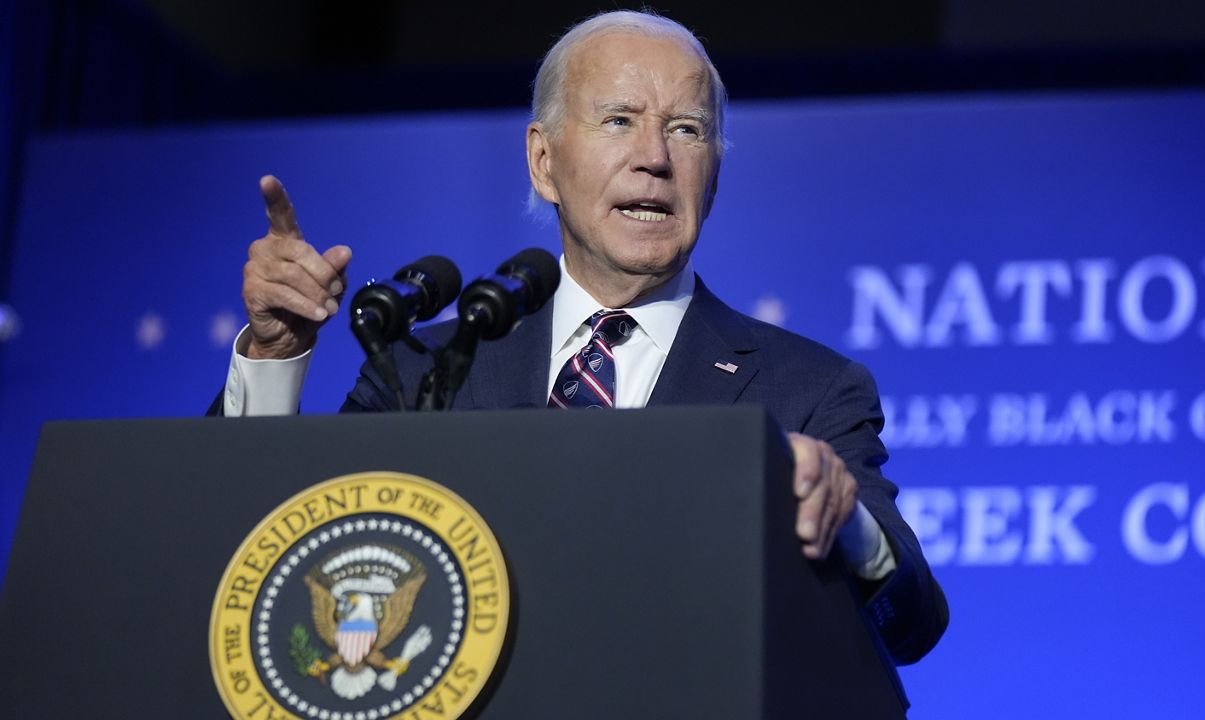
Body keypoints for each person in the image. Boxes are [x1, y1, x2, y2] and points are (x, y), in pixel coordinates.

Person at [219, 9, 946, 675]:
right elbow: (267, 559)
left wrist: (849, 522)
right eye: (619, 120)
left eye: (687, 129)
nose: (655, 157)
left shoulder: (810, 389)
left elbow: (911, 622)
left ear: (713, 174)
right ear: (543, 162)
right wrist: (274, 354)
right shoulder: (428, 369)